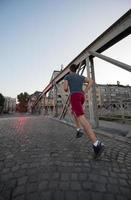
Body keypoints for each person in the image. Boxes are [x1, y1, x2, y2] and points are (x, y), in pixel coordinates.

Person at [63, 64, 104, 158]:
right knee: (74, 112)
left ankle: (97, 144)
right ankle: (78, 129)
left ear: (70, 70)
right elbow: (91, 81)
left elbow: (65, 89)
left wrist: (67, 85)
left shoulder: (67, 76)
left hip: (75, 96)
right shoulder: (80, 76)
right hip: (81, 96)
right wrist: (84, 91)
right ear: (76, 70)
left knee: (82, 118)